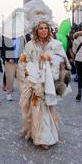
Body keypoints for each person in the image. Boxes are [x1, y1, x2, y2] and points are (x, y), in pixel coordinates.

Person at [18, 15, 69, 150]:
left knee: (47, 107)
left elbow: (64, 61)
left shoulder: (55, 44)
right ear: (36, 30)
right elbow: (23, 60)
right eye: (40, 28)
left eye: (46, 28)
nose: (43, 30)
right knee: (36, 107)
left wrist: (50, 58)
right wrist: (32, 71)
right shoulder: (30, 45)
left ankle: (45, 135)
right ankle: (39, 135)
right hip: (34, 80)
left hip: (50, 80)